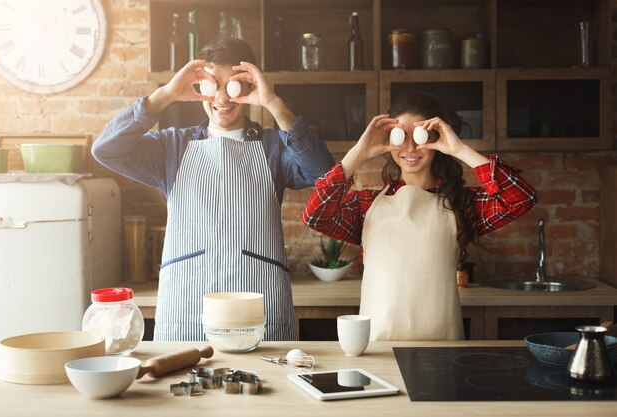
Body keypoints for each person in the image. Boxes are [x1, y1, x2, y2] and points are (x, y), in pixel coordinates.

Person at [92, 38, 334, 341]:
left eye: (233, 85)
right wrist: (165, 95)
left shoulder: (273, 147)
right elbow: (105, 150)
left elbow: (323, 173)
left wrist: (273, 102)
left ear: (248, 88)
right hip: (187, 304)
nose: (222, 97)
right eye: (213, 84)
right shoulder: (172, 147)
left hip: (259, 303)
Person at [301, 92, 537, 341]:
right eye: (401, 136)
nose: (411, 148)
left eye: (421, 137)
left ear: (437, 139)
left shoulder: (461, 205)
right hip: (379, 351)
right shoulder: (366, 205)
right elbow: (315, 215)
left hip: (441, 350)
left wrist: (459, 149)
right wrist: (359, 152)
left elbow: (521, 198)